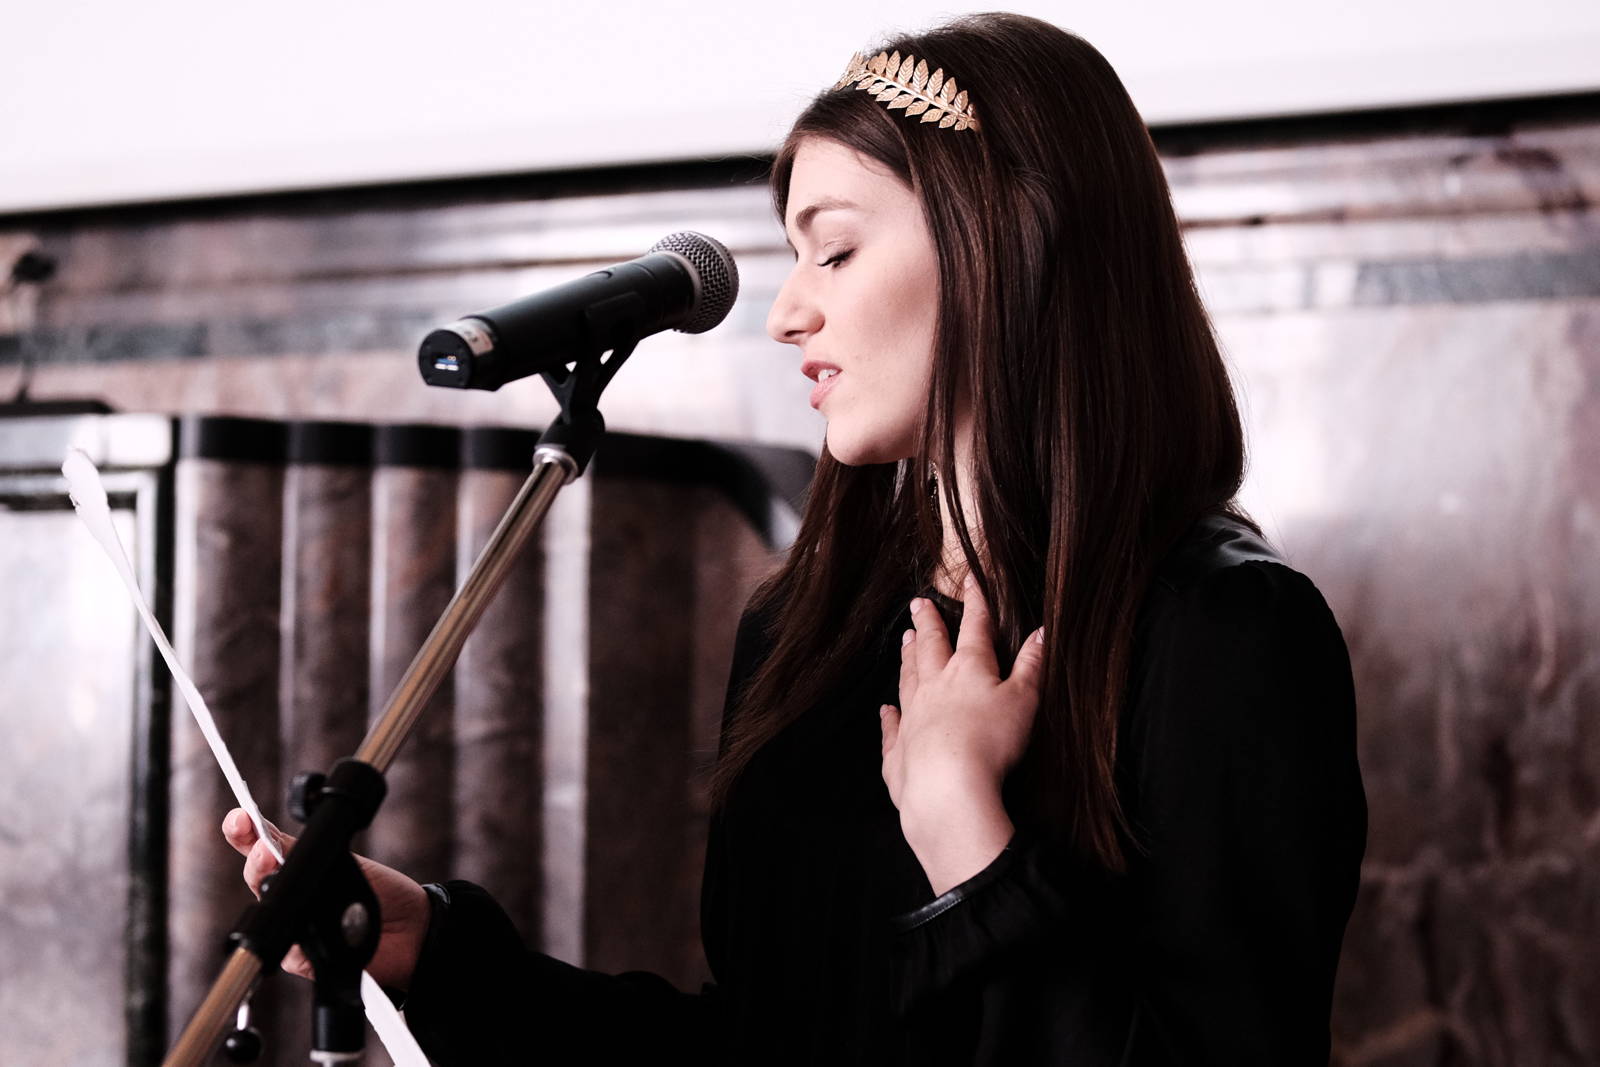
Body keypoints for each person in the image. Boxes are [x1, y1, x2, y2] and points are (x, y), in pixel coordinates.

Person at [225, 11, 1368, 1064]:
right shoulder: (804, 630)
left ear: (1013, 242)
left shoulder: (1226, 632)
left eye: (835, 249)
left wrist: (971, 845)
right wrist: (437, 952)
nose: (785, 312)